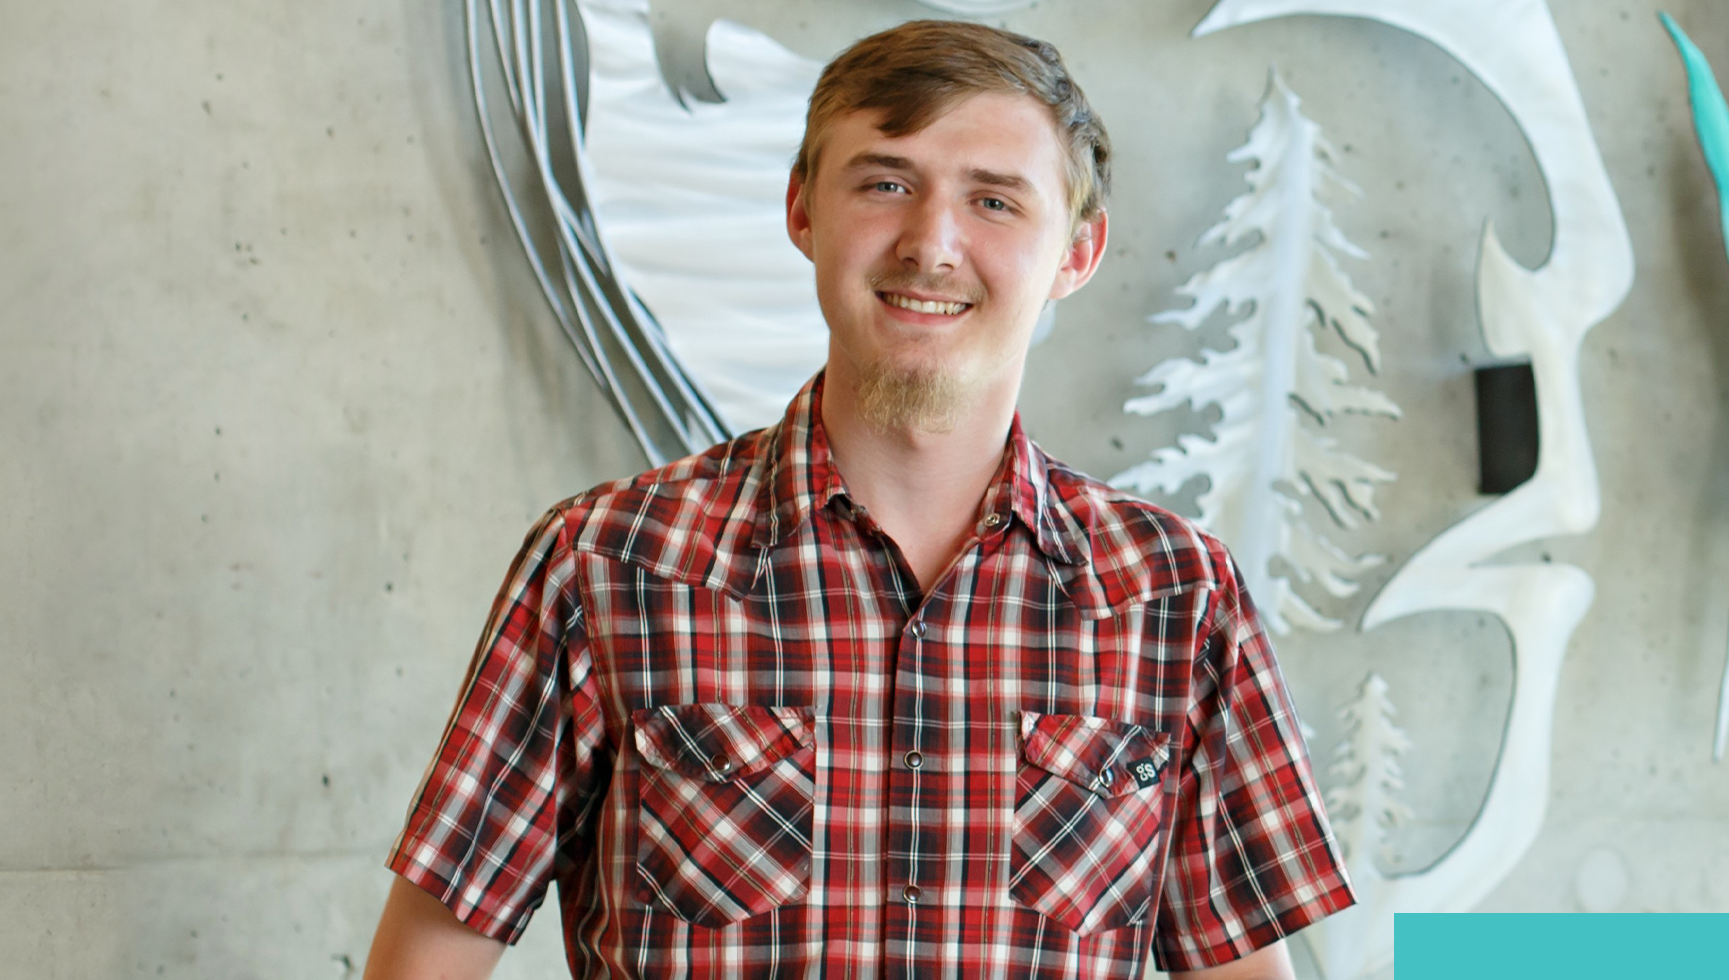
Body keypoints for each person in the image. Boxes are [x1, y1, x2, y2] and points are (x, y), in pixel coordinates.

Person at [363, 20, 1355, 980]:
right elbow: (423, 963)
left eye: (994, 201)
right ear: (802, 211)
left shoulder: (1178, 596)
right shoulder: (603, 563)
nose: (931, 243)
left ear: (1076, 253)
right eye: (886, 183)